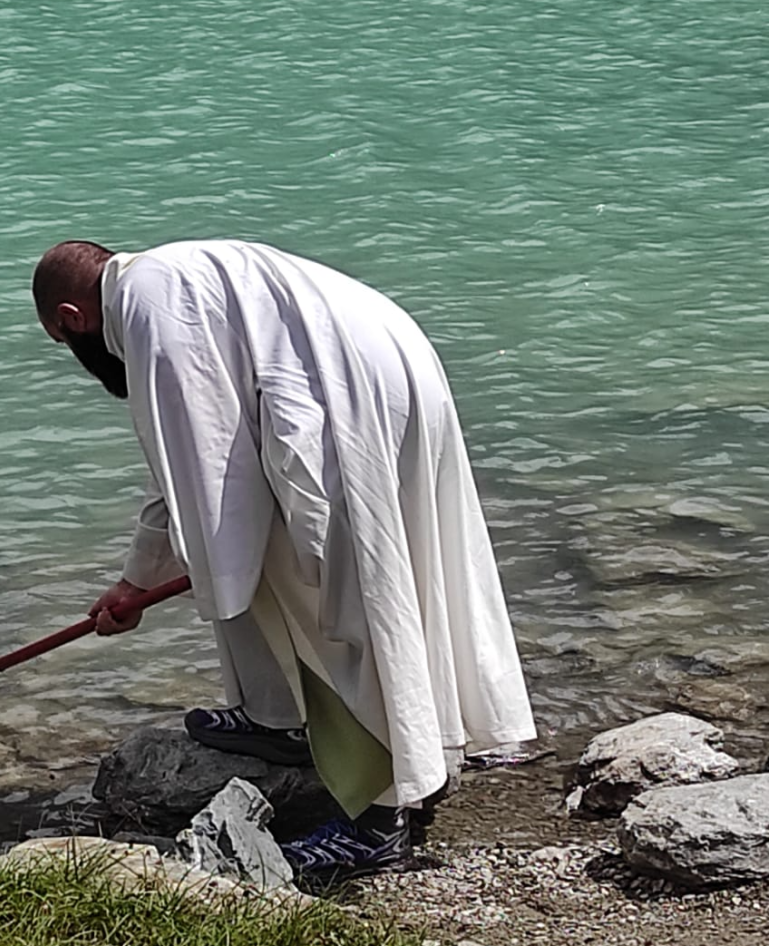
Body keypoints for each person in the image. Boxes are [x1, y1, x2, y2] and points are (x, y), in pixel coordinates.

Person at [31, 238, 536, 880]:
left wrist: (198, 567)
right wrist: (139, 578)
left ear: (73, 318)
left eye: (63, 341)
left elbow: (207, 472)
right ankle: (281, 718)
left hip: (345, 392)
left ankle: (379, 820)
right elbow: (184, 470)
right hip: (391, 360)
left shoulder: (148, 313)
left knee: (349, 597)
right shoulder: (163, 279)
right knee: (377, 572)